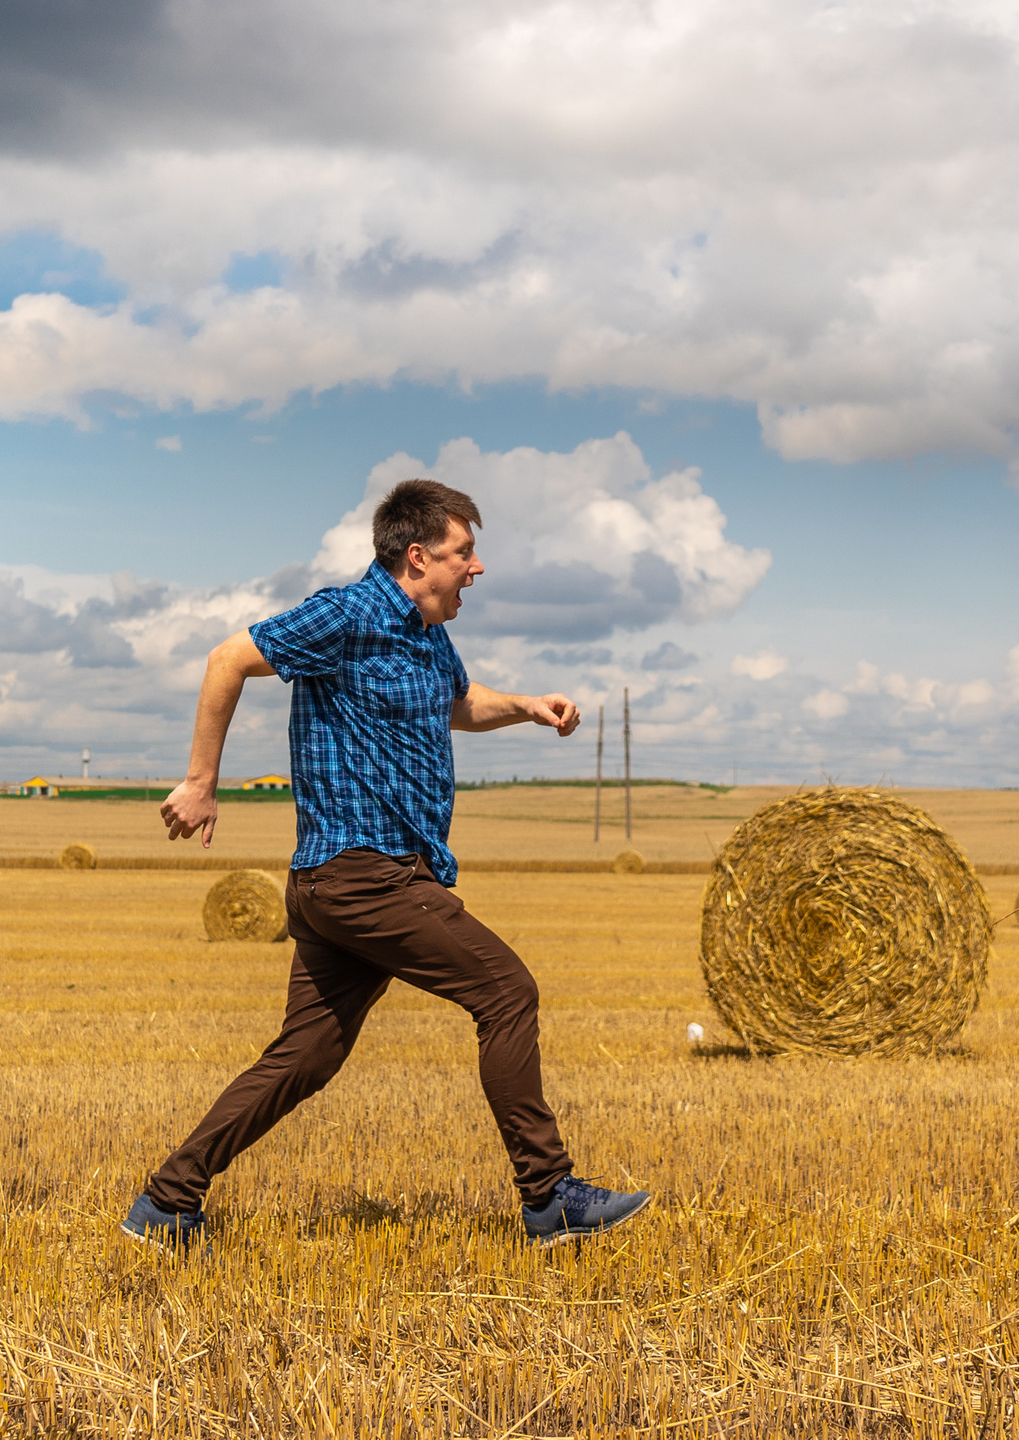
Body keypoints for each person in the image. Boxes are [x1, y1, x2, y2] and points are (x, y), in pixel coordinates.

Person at [120, 477, 650, 1248]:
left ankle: (168, 1200)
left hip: (357, 881)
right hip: (363, 872)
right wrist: (201, 780)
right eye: (464, 551)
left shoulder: (430, 632)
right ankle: (548, 1197)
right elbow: (228, 658)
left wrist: (528, 706)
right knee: (506, 991)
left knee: (307, 1053)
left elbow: (458, 702)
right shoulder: (348, 614)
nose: (476, 567)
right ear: (417, 555)